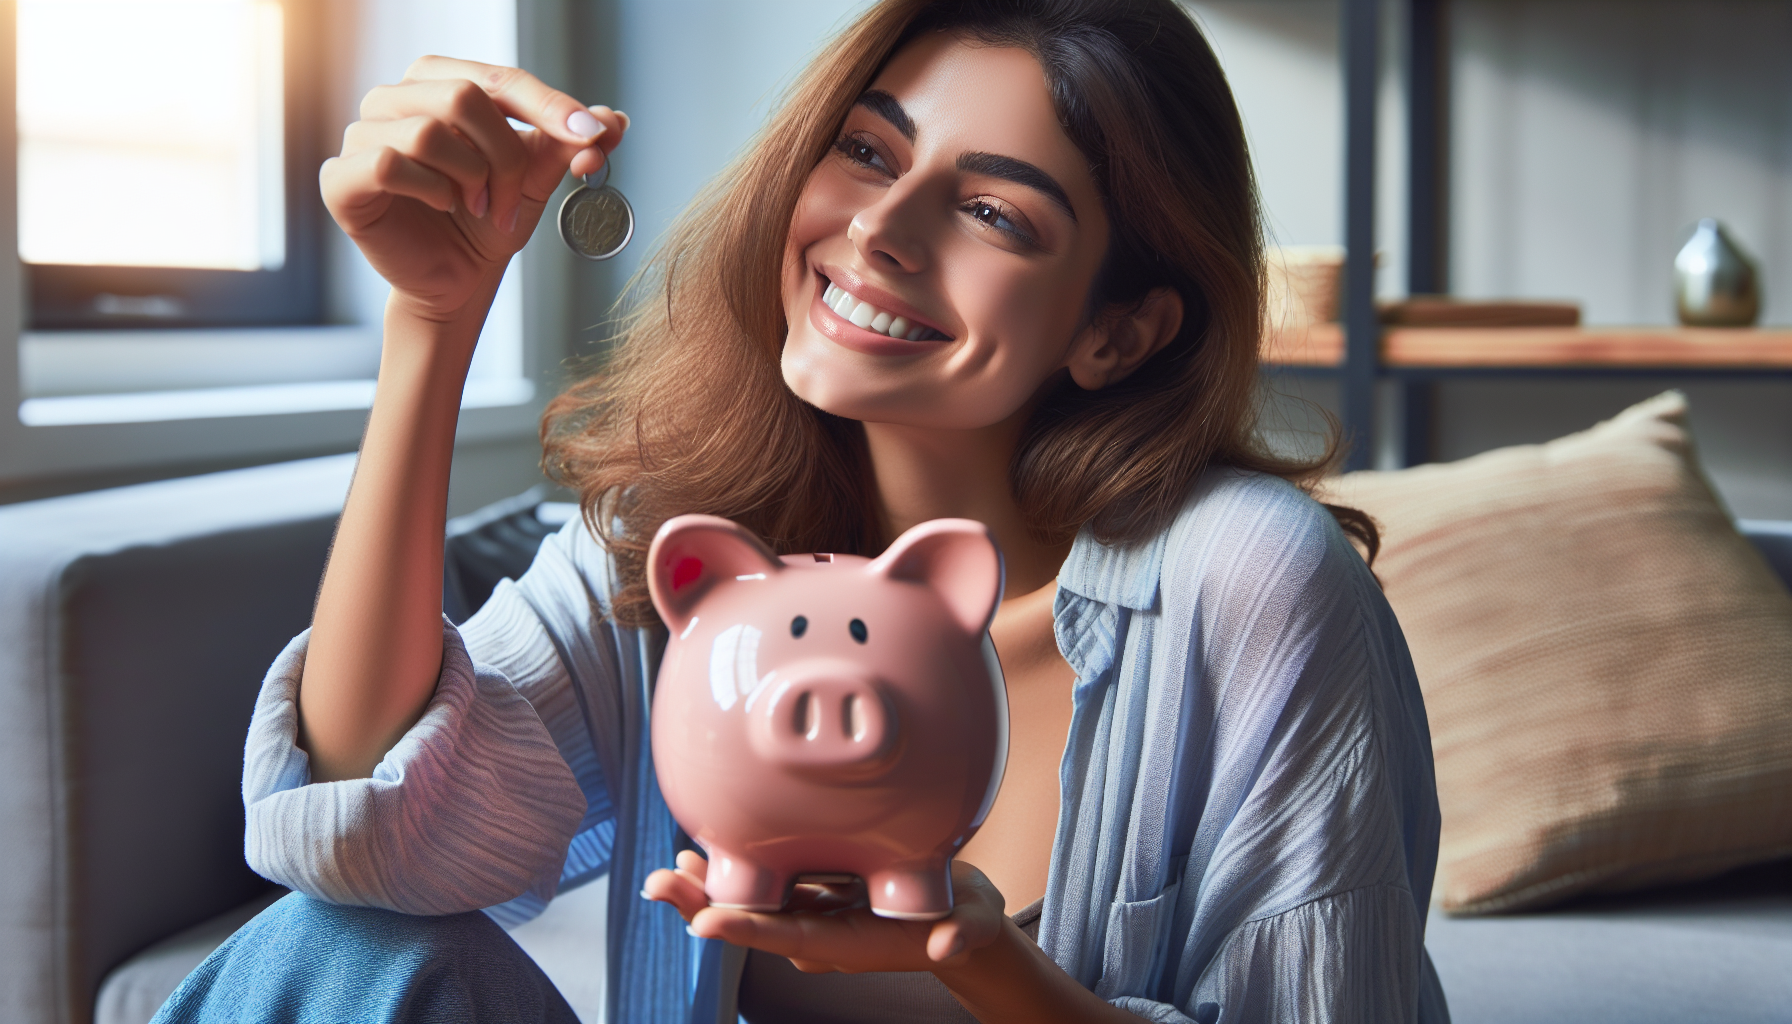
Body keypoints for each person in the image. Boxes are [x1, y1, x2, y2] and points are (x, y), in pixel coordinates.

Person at [155, 1, 1448, 1022]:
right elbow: (376, 842)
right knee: (339, 952)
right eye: (870, 152)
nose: (883, 227)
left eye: (994, 211)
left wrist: (990, 966)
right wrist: (433, 324)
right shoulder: (689, 546)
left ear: (1118, 332)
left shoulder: (1246, 582)